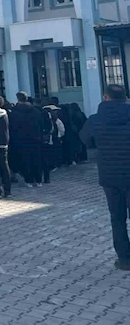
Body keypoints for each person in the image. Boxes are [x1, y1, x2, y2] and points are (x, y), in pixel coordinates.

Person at [79, 84, 130, 270]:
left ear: (105, 97)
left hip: (110, 176)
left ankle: (125, 259)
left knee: (117, 218)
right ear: (125, 98)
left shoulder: (95, 119)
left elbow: (85, 140)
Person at [11, 92, 45, 188]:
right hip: (35, 138)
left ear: (18, 99)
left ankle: (28, 180)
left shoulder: (15, 111)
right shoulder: (35, 111)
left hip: (21, 139)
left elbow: (13, 126)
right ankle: (38, 180)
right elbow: (41, 125)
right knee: (36, 159)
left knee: (25, 160)